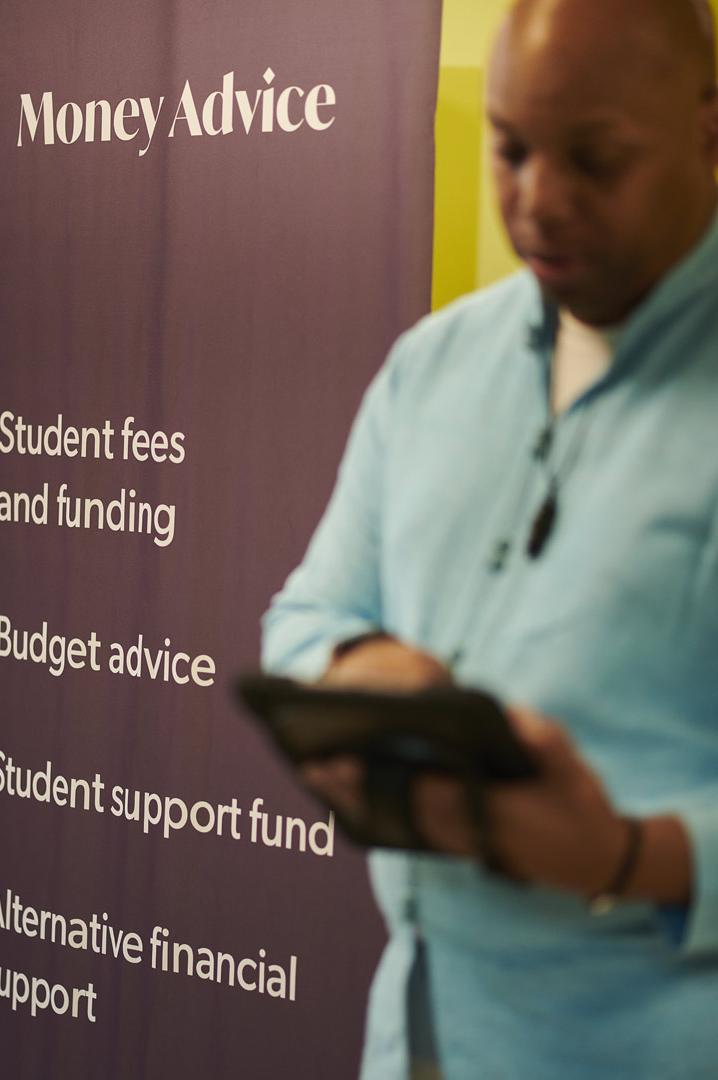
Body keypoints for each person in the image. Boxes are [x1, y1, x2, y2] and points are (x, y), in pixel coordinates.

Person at [262, 1, 718, 1076]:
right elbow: (307, 614)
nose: (540, 202)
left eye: (597, 160)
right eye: (509, 150)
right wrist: (359, 671)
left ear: (709, 132)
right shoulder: (432, 366)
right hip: (419, 1024)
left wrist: (633, 856)